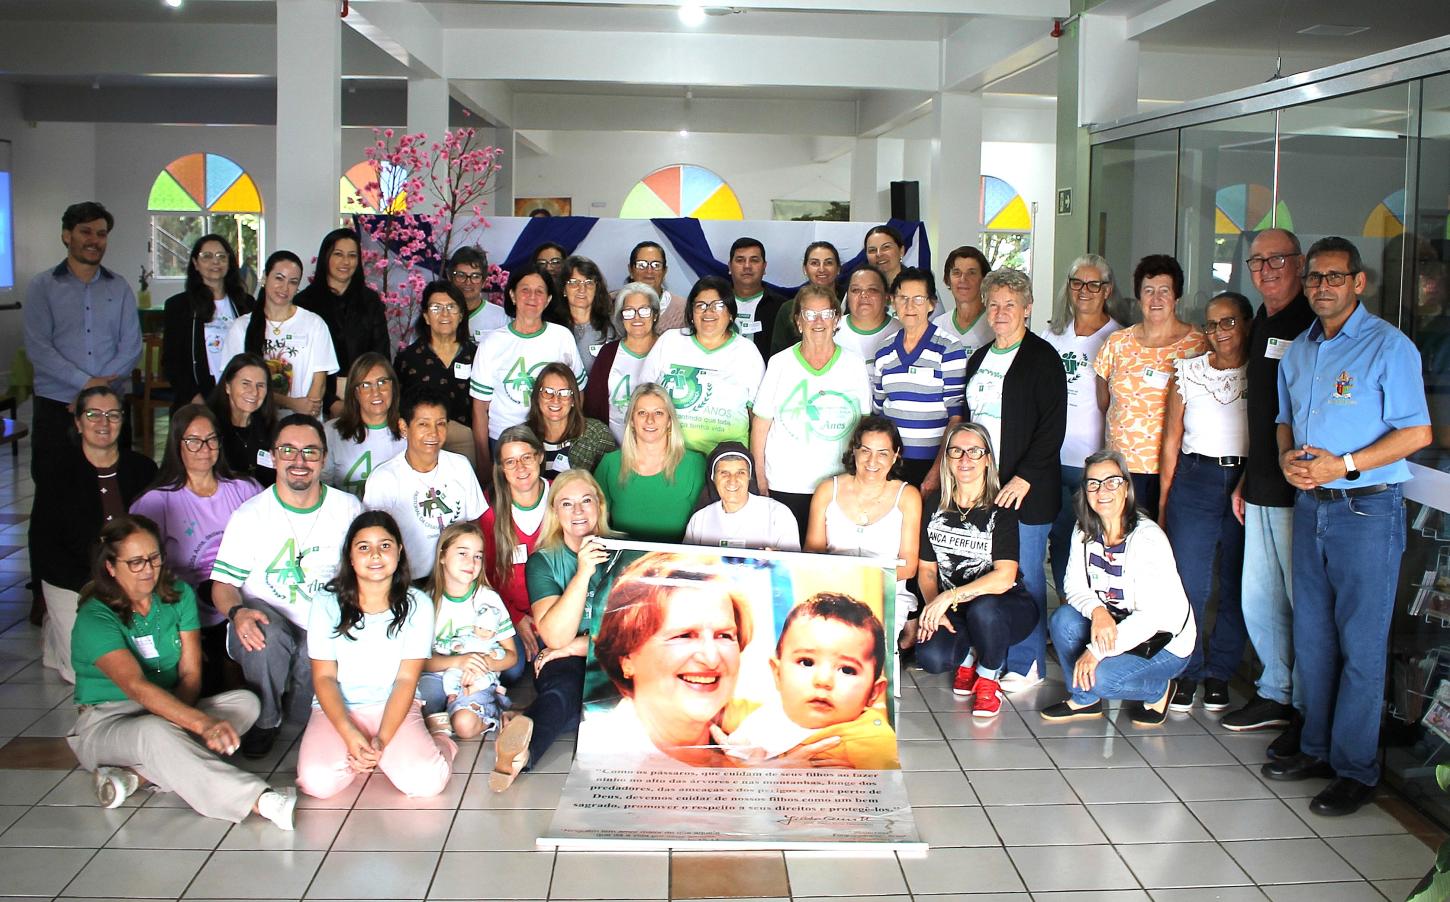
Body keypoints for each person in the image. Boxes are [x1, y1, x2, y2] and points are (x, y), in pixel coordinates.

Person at [1264, 236, 1431, 816]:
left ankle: (1356, 769)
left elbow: (1417, 433)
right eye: (1315, 277)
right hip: (1312, 507)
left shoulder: (1389, 346)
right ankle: (1316, 749)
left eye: (1335, 276)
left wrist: (1346, 465)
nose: (1323, 286)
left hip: (1367, 510)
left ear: (1359, 282)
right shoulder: (1299, 351)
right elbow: (1284, 420)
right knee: (1313, 638)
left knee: (1361, 646)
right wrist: (1286, 458)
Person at [67, 516, 296, 828]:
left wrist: (182, 720)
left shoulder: (178, 594)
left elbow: (190, 675)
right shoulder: (94, 617)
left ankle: (134, 776)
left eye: (154, 558)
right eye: (135, 562)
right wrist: (200, 724)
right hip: (107, 722)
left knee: (246, 703)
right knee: (155, 732)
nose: (148, 569)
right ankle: (259, 800)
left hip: (170, 705)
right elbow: (136, 687)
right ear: (110, 567)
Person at [210, 413, 364, 758]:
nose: (299, 461)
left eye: (310, 451)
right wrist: (237, 613)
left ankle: (298, 718)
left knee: (304, 716)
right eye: (288, 450)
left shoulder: (348, 509)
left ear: (324, 458)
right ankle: (265, 720)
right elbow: (222, 585)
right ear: (273, 456)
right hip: (266, 621)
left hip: (321, 622)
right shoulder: (250, 515)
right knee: (266, 634)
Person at [1221, 228, 1317, 747]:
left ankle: (1306, 707)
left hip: (1299, 488)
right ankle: (1275, 691)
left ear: (1299, 264)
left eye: (1277, 260)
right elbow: (1262, 415)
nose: (1266, 270)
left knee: (1300, 602)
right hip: (1259, 483)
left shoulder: (1311, 323)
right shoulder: (1262, 320)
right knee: (1259, 596)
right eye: (1257, 262)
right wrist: (1245, 477)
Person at [297, 511, 456, 799]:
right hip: (339, 707)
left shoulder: (418, 604)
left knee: (427, 782)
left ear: (399, 551)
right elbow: (324, 677)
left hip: (393, 705)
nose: (375, 555)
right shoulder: (325, 602)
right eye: (363, 547)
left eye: (385, 545)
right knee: (317, 783)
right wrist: (349, 733)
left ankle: (440, 739)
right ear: (350, 556)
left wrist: (381, 740)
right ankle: (364, 755)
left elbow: (406, 680)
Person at [963, 268, 1066, 691]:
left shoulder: (1042, 357)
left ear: (1027, 308)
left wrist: (1024, 477)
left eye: (1010, 304)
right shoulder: (980, 358)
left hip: (1027, 489)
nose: (1001, 311)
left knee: (1024, 575)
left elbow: (1052, 427)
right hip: (984, 488)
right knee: (988, 571)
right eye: (994, 304)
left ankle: (1028, 662)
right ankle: (994, 653)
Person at [1041, 450, 1196, 727]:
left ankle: (1159, 690)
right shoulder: (1084, 529)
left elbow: (1150, 619)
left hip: (1163, 641)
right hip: (1116, 622)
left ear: (1126, 488)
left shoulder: (1147, 539)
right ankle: (1085, 699)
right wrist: (1098, 611)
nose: (1102, 491)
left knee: (1102, 679)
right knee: (1063, 620)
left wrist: (1095, 652)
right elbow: (1073, 585)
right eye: (1093, 484)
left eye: (1112, 482)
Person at [491, 469, 616, 791]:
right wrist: (583, 573)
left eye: (586, 501)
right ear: (555, 512)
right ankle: (521, 754)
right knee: (566, 691)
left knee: (589, 707)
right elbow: (555, 637)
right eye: (567, 504)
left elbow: (633, 631)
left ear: (600, 505)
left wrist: (575, 646)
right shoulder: (543, 561)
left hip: (613, 653)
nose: (578, 511)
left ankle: (527, 718)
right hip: (566, 658)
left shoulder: (626, 549)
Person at [1158, 291, 1252, 713]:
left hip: (1246, 482)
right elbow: (1171, 441)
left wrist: (1249, 481)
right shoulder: (1188, 371)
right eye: (1212, 324)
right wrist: (1165, 501)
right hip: (1195, 480)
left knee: (1236, 583)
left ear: (1247, 324)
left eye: (1228, 322)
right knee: (1189, 583)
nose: (1219, 332)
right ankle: (1189, 670)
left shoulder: (1262, 371)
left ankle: (1220, 673)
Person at [130, 404, 263, 695]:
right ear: (177, 445)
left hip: (241, 601)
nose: (204, 448)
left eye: (211, 439)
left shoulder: (244, 489)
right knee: (205, 687)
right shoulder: (156, 501)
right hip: (185, 613)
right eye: (193, 441)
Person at [32, 386, 158, 682]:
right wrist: (90, 585)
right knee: (85, 672)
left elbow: (155, 533)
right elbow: (43, 545)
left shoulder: (143, 469)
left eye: (113, 415)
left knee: (144, 660)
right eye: (93, 415)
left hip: (131, 577)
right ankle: (54, 633)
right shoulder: (56, 472)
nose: (104, 422)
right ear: (78, 423)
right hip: (73, 581)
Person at [915, 424, 1039, 718]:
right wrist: (935, 606)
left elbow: (1005, 576)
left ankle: (988, 676)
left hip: (1004, 607)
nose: (965, 459)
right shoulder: (934, 504)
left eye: (974, 451)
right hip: (958, 609)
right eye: (956, 451)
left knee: (984, 609)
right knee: (932, 657)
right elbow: (927, 570)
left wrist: (949, 597)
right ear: (947, 459)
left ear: (987, 459)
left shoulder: (1001, 507)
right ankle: (968, 655)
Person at [591, 552, 753, 765]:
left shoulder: (760, 746)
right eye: (684, 636)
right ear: (627, 659)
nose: (711, 658)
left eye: (724, 636)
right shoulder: (596, 755)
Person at [24, 201, 142, 467]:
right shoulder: (42, 286)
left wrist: (96, 390)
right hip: (58, 405)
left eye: (101, 234)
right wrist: (86, 384)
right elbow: (39, 348)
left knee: (114, 482)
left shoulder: (119, 287)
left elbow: (131, 347)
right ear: (67, 235)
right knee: (54, 481)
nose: (94, 241)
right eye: (86, 232)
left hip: (110, 407)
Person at [1093, 254, 1210, 519]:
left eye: (1164, 291)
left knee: (1163, 538)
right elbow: (1104, 400)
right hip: (1120, 468)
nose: (1156, 299)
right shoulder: (1117, 343)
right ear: (1139, 297)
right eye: (1148, 291)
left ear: (1176, 297)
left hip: (1174, 469)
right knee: (1120, 537)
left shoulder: (1198, 344)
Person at [718, 593, 893, 768]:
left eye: (847, 670)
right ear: (778, 674)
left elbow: (893, 783)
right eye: (807, 662)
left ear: (873, 692)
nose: (823, 680)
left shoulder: (875, 745)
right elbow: (722, 712)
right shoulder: (768, 715)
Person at [751, 282, 871, 536]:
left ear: (836, 319)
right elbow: (760, 426)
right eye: (809, 314)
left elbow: (864, 429)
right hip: (785, 483)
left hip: (838, 484)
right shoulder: (779, 363)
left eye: (826, 313)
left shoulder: (854, 365)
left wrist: (860, 479)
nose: (818, 321)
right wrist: (760, 479)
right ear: (798, 321)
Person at [805, 415, 921, 650]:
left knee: (870, 648)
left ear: (895, 455)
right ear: (854, 451)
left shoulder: (908, 497)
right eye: (865, 451)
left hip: (886, 591)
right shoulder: (827, 490)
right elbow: (812, 552)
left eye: (883, 453)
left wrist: (862, 583)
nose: (872, 461)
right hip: (832, 589)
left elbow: (908, 567)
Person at [1045, 254, 1121, 596]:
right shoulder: (1053, 335)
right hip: (1052, 456)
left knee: (1093, 537)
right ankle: (1067, 605)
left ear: (1107, 290)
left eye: (1093, 284)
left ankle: (1093, 606)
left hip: (1092, 459)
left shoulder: (1117, 337)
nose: (1084, 291)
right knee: (1060, 536)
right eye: (1077, 283)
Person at [469, 262, 585, 473]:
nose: (532, 297)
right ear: (512, 295)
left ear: (548, 299)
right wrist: (484, 462)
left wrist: (568, 434)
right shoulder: (492, 343)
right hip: (505, 442)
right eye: (525, 290)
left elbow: (578, 393)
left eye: (539, 291)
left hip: (553, 441)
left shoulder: (561, 337)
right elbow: (479, 408)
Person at [363, 386, 487, 581]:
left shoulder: (460, 466)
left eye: (440, 424)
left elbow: (474, 523)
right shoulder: (384, 479)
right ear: (404, 427)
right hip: (408, 582)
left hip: (456, 579)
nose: (434, 433)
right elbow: (374, 538)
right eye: (423, 424)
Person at [639, 275, 765, 454]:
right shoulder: (669, 341)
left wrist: (756, 462)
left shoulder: (747, 352)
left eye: (718, 305)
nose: (708, 312)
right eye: (700, 306)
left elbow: (758, 416)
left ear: (730, 313)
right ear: (691, 313)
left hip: (727, 460)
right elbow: (643, 396)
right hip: (670, 455)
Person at [418, 522, 517, 739]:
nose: (471, 562)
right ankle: (443, 718)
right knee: (417, 713)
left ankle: (494, 710)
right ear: (442, 556)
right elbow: (420, 661)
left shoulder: (488, 600)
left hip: (476, 678)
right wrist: (459, 661)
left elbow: (512, 656)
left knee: (463, 725)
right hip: (436, 676)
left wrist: (482, 664)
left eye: (478, 556)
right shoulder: (425, 601)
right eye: (462, 553)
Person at [872, 266, 967, 491]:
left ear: (931, 303)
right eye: (902, 298)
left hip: (932, 463)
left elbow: (956, 416)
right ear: (892, 301)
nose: (909, 306)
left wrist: (938, 469)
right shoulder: (884, 349)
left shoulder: (949, 347)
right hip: (891, 463)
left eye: (918, 299)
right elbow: (878, 409)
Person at [223, 250, 338, 420]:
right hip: (256, 422)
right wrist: (292, 403)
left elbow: (319, 383)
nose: (285, 288)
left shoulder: (314, 324)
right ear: (265, 277)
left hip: (301, 424)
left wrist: (305, 414)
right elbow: (234, 383)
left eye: (293, 282)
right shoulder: (241, 327)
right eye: (279, 278)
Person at [294, 228, 391, 418]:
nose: (345, 262)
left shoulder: (370, 301)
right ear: (326, 257)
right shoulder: (304, 303)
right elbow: (301, 361)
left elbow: (381, 355)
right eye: (338, 254)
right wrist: (330, 402)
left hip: (365, 396)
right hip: (315, 399)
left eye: (352, 255)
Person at [594, 383, 708, 543]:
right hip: (621, 558)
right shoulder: (610, 464)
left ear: (669, 421)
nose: (650, 420)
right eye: (642, 413)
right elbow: (595, 526)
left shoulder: (695, 465)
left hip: (678, 558)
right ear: (632, 420)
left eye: (658, 413)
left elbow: (709, 527)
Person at [480, 425, 550, 678]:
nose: (520, 468)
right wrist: (516, 618)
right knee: (512, 670)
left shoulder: (560, 495)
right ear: (501, 468)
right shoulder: (490, 509)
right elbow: (486, 575)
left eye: (526, 457)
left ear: (540, 456)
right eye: (510, 462)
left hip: (555, 609)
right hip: (511, 612)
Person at [161, 234, 254, 408]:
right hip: (197, 398)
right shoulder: (179, 305)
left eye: (221, 256)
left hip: (239, 395)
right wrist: (196, 401)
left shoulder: (245, 303)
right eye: (207, 256)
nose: (215, 262)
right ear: (195, 263)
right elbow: (172, 363)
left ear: (229, 262)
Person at [394, 280, 478, 464]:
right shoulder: (408, 358)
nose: (444, 314)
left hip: (465, 437)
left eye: (451, 307)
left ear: (461, 315)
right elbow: (398, 403)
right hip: (422, 438)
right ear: (426, 316)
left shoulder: (477, 355)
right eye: (436, 308)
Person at [684, 442, 800, 551]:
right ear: (713, 478)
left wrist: (779, 559)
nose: (732, 480)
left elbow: (795, 563)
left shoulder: (778, 515)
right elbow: (685, 562)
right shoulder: (699, 520)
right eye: (724, 473)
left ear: (749, 477)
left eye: (740, 473)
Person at [585, 282, 662, 443]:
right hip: (613, 447)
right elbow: (592, 406)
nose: (636, 317)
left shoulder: (668, 349)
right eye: (629, 311)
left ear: (654, 315)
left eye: (644, 310)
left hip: (659, 447)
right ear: (621, 317)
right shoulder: (608, 353)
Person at [321, 353, 406, 496]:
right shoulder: (331, 432)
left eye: (382, 382)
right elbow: (321, 488)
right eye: (365, 385)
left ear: (393, 386)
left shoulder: (410, 431)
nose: (376, 392)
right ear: (355, 392)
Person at [525, 363, 616, 477]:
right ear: (537, 397)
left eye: (564, 393)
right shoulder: (522, 437)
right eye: (548, 392)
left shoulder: (597, 435)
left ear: (573, 400)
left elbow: (610, 481)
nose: (556, 400)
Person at [209, 352, 278, 488]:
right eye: (246, 383)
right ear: (228, 386)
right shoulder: (209, 427)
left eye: (260, 385)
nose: (254, 392)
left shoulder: (270, 427)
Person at [768, 241, 842, 356]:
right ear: (805, 269)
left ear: (838, 269)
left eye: (828, 263)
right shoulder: (788, 309)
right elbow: (778, 355)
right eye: (814, 263)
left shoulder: (850, 304)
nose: (821, 269)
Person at [551, 255, 617, 372]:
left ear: (596, 288)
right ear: (564, 289)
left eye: (588, 282)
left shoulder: (612, 326)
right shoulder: (553, 329)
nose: (582, 289)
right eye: (574, 283)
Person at [834, 265, 900, 375]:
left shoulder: (901, 332)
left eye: (872, 290)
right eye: (856, 290)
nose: (863, 295)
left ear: (886, 296)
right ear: (847, 296)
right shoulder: (831, 330)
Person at [728, 237, 788, 358]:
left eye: (754, 260)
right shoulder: (716, 303)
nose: (747, 266)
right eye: (740, 260)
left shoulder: (782, 307)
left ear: (764, 267)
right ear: (729, 267)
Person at [933, 246, 994, 356]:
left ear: (984, 280)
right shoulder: (938, 325)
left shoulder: (996, 324)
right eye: (956, 273)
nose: (963, 279)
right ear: (947, 279)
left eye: (971, 273)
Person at [623, 241, 686, 331]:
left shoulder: (683, 309)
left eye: (656, 265)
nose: (649, 271)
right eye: (641, 265)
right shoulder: (612, 304)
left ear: (664, 271)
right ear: (631, 270)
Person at [449, 246, 507, 344]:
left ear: (484, 281)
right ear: (450, 277)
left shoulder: (502, 318)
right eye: (461, 275)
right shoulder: (439, 315)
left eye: (475, 276)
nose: (468, 282)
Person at [864, 225, 905, 289]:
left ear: (901, 251)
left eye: (886, 247)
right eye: (872, 250)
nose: (879, 254)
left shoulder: (918, 284)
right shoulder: (860, 285)